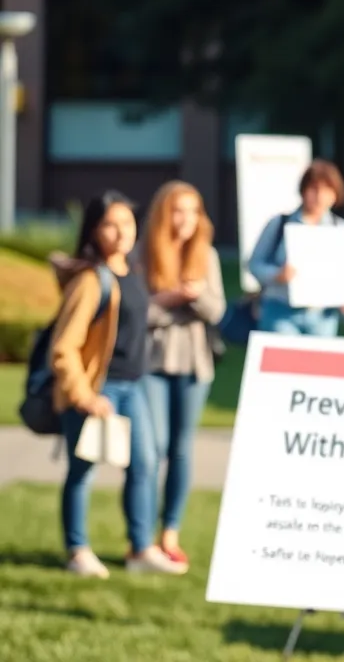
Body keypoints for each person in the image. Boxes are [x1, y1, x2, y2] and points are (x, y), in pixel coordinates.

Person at [50, 191, 185, 578]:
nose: (122, 231)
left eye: (127, 222)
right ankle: (77, 551)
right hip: (98, 388)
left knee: (145, 464)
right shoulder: (90, 281)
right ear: (94, 231)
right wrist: (84, 395)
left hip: (134, 386)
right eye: (111, 224)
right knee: (83, 470)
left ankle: (140, 549)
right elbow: (64, 347)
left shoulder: (134, 271)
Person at [140, 181, 226, 571]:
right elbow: (137, 314)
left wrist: (197, 296)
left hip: (195, 364)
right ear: (164, 214)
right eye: (179, 210)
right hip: (153, 363)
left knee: (181, 448)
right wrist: (169, 300)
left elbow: (217, 310)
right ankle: (141, 536)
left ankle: (170, 533)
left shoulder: (206, 254)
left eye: (193, 211)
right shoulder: (144, 253)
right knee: (152, 448)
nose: (186, 219)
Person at [248, 159, 344, 337]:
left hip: (323, 317)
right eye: (314, 189)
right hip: (281, 310)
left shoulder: (341, 228)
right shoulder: (280, 223)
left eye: (327, 190)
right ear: (304, 190)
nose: (319, 196)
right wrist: (277, 275)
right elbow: (255, 264)